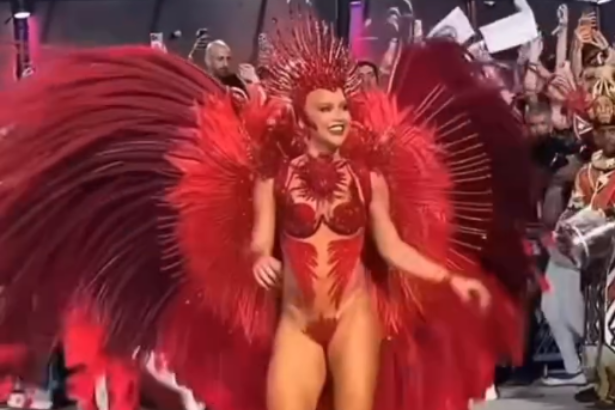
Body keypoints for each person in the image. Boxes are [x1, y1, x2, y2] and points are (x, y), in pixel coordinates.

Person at [0, 15, 534, 410]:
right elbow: (257, 242)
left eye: (343, 107)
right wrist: (257, 259)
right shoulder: (272, 179)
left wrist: (453, 279)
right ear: (304, 119)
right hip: (297, 324)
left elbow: (391, 246)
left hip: (355, 320)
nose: (340, 116)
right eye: (327, 109)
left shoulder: (369, 178)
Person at [558, 54, 615, 406]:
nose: (608, 136)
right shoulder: (585, 172)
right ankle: (598, 382)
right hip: (594, 260)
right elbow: (574, 208)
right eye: (602, 131)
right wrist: (567, 225)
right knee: (593, 320)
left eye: (613, 130)